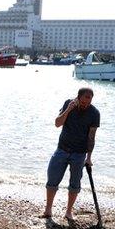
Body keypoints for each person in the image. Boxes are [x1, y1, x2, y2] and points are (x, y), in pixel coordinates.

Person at [42, 88, 100, 221]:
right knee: (52, 180)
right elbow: (57, 124)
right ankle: (48, 209)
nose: (86, 104)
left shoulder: (94, 113)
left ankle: (68, 212)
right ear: (78, 97)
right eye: (84, 101)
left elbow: (91, 137)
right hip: (62, 149)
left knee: (75, 184)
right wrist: (68, 110)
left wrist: (89, 157)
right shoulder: (68, 104)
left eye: (89, 101)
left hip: (79, 154)